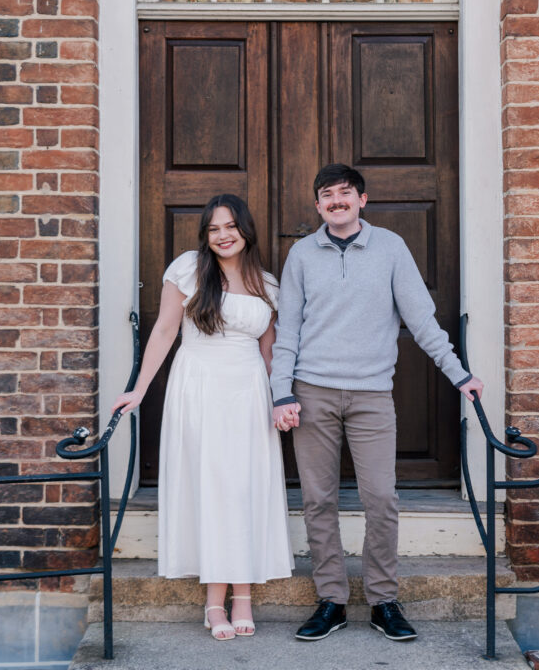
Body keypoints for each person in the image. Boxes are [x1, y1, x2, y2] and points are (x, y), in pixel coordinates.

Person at [270, 163, 483, 642]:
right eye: (327, 195)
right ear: (318, 205)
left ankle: (384, 599)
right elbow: (288, 332)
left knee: (381, 499)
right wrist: (280, 392)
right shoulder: (302, 255)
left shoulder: (390, 248)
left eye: (345, 193)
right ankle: (332, 600)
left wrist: (459, 374)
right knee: (318, 500)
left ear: (362, 200)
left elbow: (421, 320)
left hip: (371, 394)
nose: (336, 201)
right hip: (311, 391)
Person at [112, 194, 293, 641]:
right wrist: (138, 388)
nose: (223, 235)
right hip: (199, 385)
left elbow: (270, 351)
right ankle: (215, 602)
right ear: (205, 235)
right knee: (213, 487)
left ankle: (244, 596)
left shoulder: (267, 284)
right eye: (213, 229)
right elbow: (165, 330)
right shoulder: (188, 270)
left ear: (245, 230)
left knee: (245, 485)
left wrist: (279, 398)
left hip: (248, 389)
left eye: (230, 226)